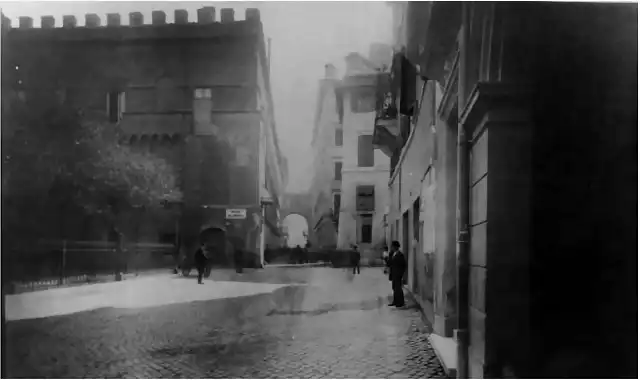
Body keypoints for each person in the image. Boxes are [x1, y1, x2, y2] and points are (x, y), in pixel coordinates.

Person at [387, 240, 406, 307]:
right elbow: (389, 263)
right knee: (394, 288)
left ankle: (400, 302)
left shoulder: (400, 255)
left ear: (396, 247)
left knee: (398, 288)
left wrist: (400, 274)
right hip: (393, 274)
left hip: (398, 274)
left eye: (392, 246)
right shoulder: (392, 254)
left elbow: (403, 265)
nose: (391, 248)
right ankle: (395, 301)